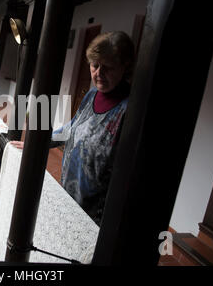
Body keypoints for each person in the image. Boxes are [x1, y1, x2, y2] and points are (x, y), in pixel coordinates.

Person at [11, 31, 135, 227]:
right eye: (95, 66)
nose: (99, 73)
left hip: (95, 218)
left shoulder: (129, 111)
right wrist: (35, 145)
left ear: (125, 67)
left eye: (108, 67)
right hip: (69, 201)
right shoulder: (92, 95)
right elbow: (72, 127)